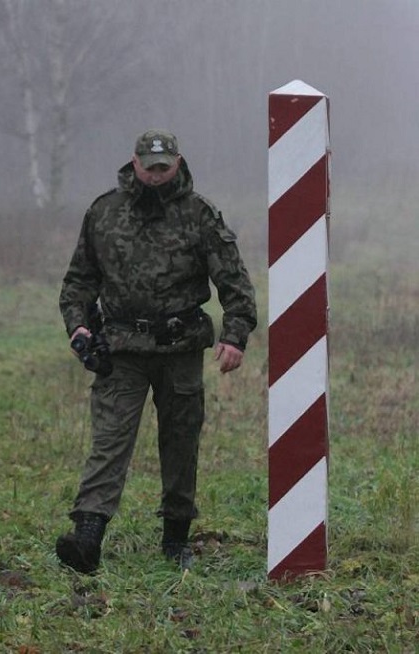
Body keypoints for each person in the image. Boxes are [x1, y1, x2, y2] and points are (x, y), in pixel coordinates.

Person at [56, 129, 257, 573]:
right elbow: (78, 283)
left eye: (164, 166)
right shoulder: (104, 212)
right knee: (109, 440)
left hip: (180, 345)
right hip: (122, 347)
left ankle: (176, 536)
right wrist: (79, 329)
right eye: (150, 166)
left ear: (178, 163)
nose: (156, 174)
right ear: (135, 162)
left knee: (180, 442)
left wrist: (234, 335)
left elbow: (234, 281)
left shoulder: (199, 214)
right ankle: (87, 535)